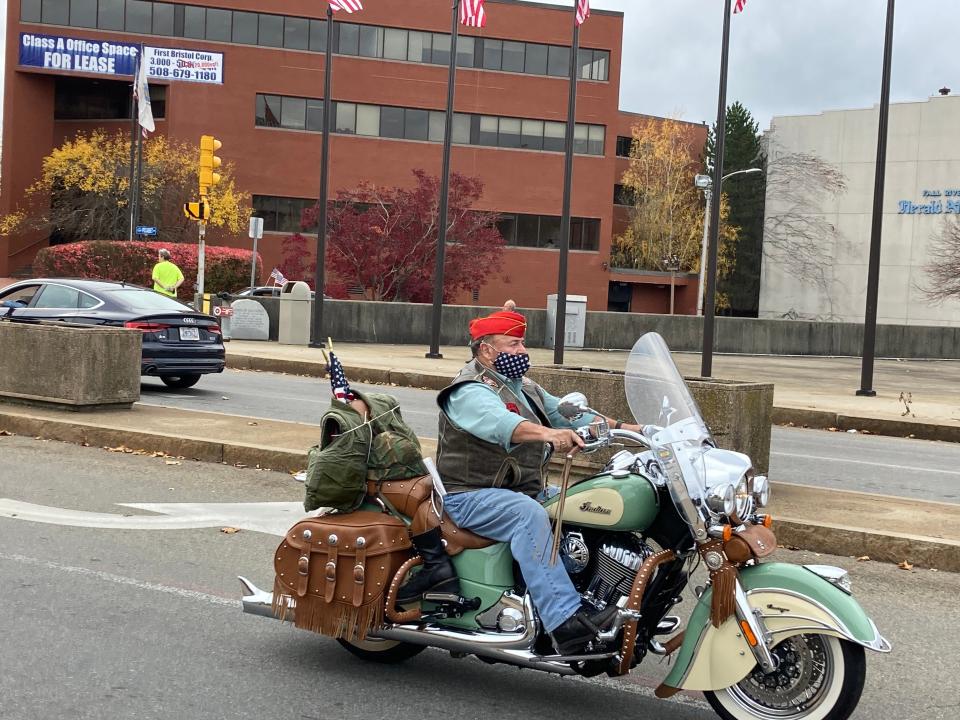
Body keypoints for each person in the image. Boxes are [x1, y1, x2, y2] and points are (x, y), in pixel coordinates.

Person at [434, 309, 642, 655]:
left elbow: (569, 413)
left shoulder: (523, 387)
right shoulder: (468, 390)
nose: (522, 350)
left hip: (519, 490)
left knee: (585, 504)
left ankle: (595, 597)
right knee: (528, 514)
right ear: (487, 350)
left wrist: (632, 430)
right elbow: (501, 424)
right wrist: (551, 435)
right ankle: (565, 623)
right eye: (513, 344)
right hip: (469, 494)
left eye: (522, 343)